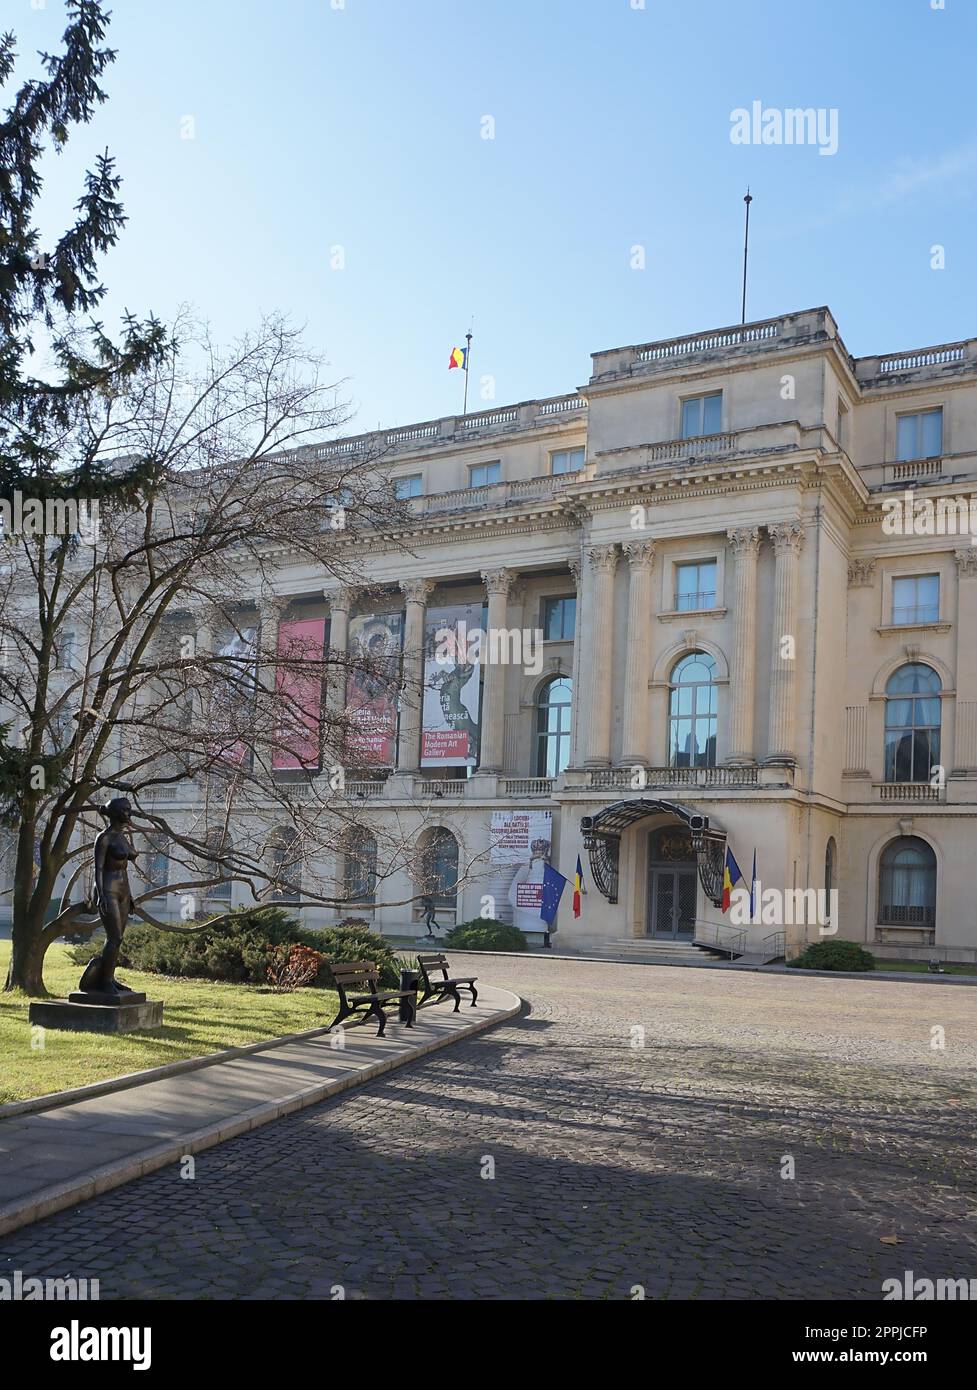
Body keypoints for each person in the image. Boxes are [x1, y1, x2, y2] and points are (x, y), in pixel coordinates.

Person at [78, 797, 140, 995]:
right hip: (108, 889)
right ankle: (105, 981)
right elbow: (98, 868)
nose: (129, 813)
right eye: (126, 810)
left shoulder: (122, 837)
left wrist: (129, 896)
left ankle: (109, 978)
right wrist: (101, 895)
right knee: (115, 936)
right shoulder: (103, 838)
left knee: (117, 939)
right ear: (115, 813)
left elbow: (126, 867)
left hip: (123, 890)